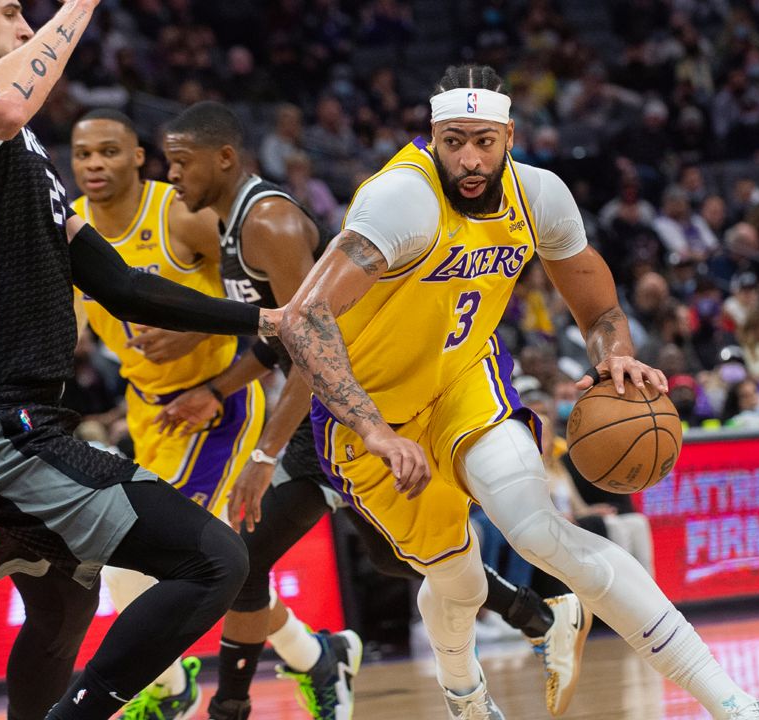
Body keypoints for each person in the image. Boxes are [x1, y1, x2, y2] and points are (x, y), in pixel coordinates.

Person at [281, 65, 759, 720]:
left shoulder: (539, 197)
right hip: (372, 414)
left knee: (539, 531)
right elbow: (302, 318)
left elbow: (600, 312)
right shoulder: (403, 199)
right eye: (453, 140)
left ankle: (733, 703)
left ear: (509, 135)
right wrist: (374, 429)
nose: (468, 157)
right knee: (455, 580)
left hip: (465, 380)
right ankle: (465, 696)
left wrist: (617, 359)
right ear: (432, 136)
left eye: (484, 141)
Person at [0, 3, 281, 719]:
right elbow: (8, 98)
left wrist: (263, 318)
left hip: (16, 421)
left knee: (60, 617)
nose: (28, 25)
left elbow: (121, 285)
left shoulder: (23, 161)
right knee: (215, 560)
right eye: (13, 11)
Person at [155, 101, 565, 720]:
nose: (173, 177)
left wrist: (265, 454)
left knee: (249, 550)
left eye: (180, 164)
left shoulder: (269, 223)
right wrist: (218, 388)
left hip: (350, 408)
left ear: (225, 159)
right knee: (382, 555)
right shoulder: (228, 229)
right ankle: (528, 612)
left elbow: (311, 344)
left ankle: (232, 705)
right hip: (332, 409)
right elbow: (274, 341)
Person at [68, 109, 270, 719]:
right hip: (148, 412)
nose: (95, 164)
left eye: (109, 151)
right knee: (164, 559)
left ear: (137, 157)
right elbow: (67, 332)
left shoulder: (180, 213)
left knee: (161, 552)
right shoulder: (69, 228)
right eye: (83, 155)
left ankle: (164, 688)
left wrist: (191, 329)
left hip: (218, 402)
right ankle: (313, 654)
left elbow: (268, 294)